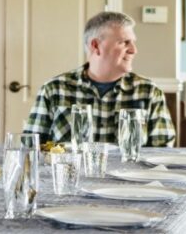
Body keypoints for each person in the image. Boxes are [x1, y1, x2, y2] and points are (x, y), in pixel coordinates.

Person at [24, 11, 176, 146]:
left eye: (133, 42)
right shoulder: (54, 90)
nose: (133, 50)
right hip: (73, 178)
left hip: (129, 178)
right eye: (124, 42)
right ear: (96, 45)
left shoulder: (149, 92)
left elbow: (162, 155)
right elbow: (30, 149)